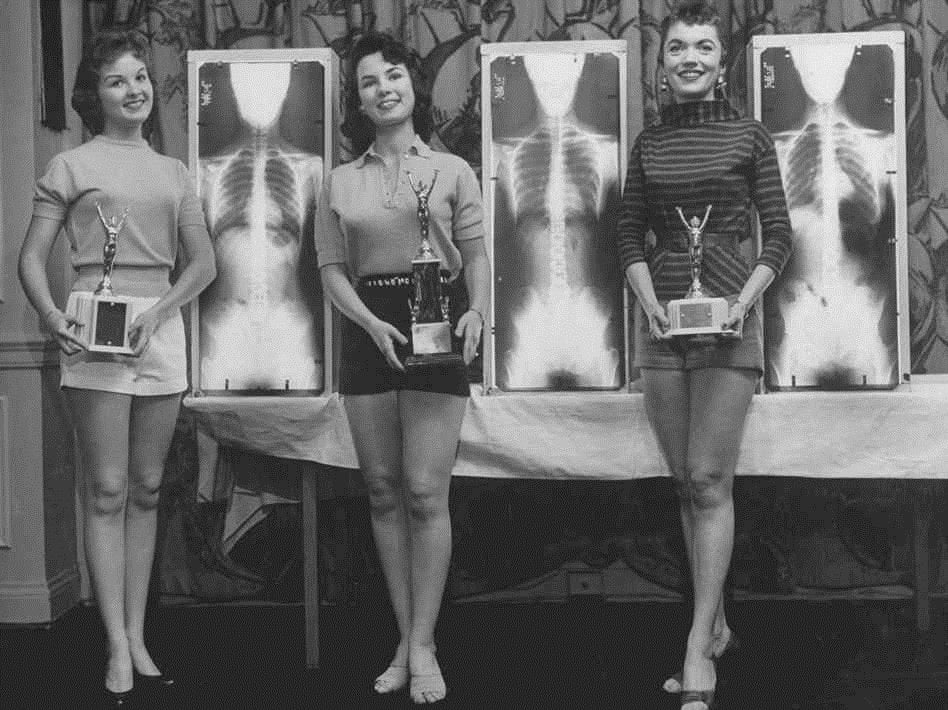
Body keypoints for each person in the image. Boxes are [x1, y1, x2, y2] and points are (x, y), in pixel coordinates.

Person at [18, 29, 216, 708]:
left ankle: (135, 634)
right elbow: (29, 258)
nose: (132, 90)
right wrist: (53, 317)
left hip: (157, 329)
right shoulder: (69, 166)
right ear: (93, 95)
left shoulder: (174, 172)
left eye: (139, 78)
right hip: (92, 327)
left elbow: (204, 264)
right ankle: (112, 643)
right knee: (106, 489)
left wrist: (160, 312)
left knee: (148, 487)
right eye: (115, 81)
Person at [617, 2, 793, 708]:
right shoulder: (648, 144)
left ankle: (696, 648)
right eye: (678, 47)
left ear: (723, 63)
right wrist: (649, 303)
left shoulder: (750, 136)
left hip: (730, 330)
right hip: (663, 332)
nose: (690, 57)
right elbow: (629, 237)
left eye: (704, 48)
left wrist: (746, 301)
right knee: (687, 485)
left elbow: (778, 234)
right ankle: (713, 618)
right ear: (661, 64)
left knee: (710, 481)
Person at [314, 32, 489, 704]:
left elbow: (475, 257)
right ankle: (406, 635)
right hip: (369, 330)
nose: (383, 89)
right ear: (357, 100)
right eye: (368, 82)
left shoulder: (452, 171)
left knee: (424, 494)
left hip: (437, 322)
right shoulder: (338, 180)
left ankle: (421, 644)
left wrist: (478, 310)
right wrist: (366, 323)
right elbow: (331, 272)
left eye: (393, 76)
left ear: (413, 86)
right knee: (383, 493)